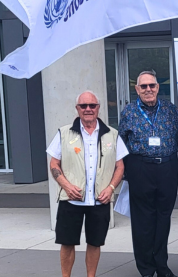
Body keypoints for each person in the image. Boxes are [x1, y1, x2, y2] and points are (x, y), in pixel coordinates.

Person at [47, 91, 127, 277]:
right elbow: (54, 163)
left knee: (95, 242)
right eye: (84, 106)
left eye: (92, 105)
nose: (88, 109)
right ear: (77, 109)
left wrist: (111, 188)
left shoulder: (112, 134)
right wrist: (66, 185)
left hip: (100, 199)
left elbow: (120, 167)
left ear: (98, 108)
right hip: (71, 200)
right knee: (67, 242)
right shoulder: (64, 133)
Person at [119, 70, 178, 277]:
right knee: (143, 220)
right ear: (137, 89)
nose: (148, 90)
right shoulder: (128, 112)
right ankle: (146, 269)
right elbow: (122, 143)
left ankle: (162, 267)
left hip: (167, 168)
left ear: (157, 87)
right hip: (141, 168)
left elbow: (177, 138)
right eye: (143, 86)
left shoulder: (171, 110)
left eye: (152, 86)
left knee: (163, 217)